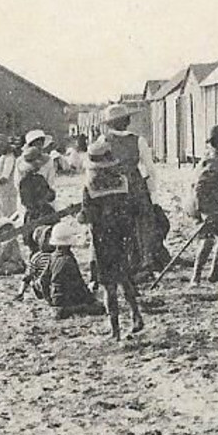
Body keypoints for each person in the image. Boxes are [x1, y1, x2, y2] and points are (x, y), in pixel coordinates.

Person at [80, 141, 144, 338]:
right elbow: (134, 208)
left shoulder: (90, 187)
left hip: (103, 239)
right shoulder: (122, 181)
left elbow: (86, 216)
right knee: (125, 278)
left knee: (109, 285)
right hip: (124, 235)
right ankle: (136, 315)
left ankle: (115, 329)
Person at [101, 103, 159, 271]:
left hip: (114, 186)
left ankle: (125, 262)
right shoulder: (138, 140)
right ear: (126, 121)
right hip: (135, 186)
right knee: (142, 223)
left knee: (119, 225)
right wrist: (152, 191)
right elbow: (150, 168)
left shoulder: (103, 140)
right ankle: (144, 261)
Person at [189, 125, 218, 285]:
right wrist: (204, 212)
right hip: (202, 205)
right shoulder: (213, 162)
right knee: (207, 240)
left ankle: (215, 272)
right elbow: (199, 187)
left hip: (212, 205)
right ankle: (196, 277)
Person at [0, 134, 21, 218]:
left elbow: (5, 178)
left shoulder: (9, 158)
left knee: (7, 217)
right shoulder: (3, 157)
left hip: (8, 195)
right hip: (1, 194)